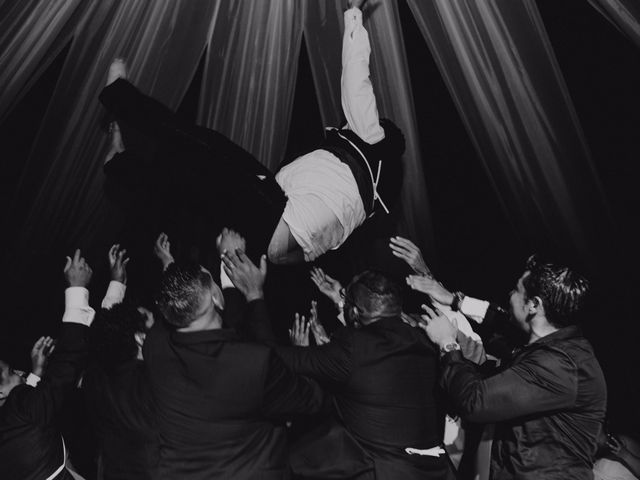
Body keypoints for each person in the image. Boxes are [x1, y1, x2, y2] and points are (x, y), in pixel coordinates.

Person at [99, 0, 403, 265]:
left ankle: (118, 96)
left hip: (275, 213)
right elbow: (308, 249)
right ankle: (118, 165)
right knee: (190, 190)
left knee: (200, 145)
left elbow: (356, 79)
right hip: (272, 228)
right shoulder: (363, 208)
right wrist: (272, 252)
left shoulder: (372, 139)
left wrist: (354, 12)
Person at [222, 250, 453, 479]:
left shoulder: (352, 348)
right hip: (441, 470)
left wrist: (254, 294)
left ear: (352, 313)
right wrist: (345, 301)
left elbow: (268, 354)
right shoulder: (425, 338)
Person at [420, 254, 607, 480]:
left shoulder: (559, 365)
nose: (510, 294)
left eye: (517, 291)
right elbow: (503, 320)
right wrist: (455, 300)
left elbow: (474, 401)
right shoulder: (556, 344)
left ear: (534, 305)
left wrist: (448, 344)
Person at [142, 257, 325, 479]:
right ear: (216, 297)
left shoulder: (154, 346)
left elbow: (177, 308)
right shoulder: (252, 364)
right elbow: (311, 400)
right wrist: (254, 293)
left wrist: (172, 268)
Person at [0, 250, 95, 480]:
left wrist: (37, 373)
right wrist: (77, 290)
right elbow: (67, 365)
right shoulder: (22, 409)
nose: (21, 372)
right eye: (11, 372)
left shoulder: (10, 423)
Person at [82, 244, 159, 480]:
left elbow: (103, 334)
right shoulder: (157, 381)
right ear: (140, 337)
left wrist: (117, 283)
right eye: (151, 321)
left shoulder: (96, 378)